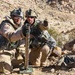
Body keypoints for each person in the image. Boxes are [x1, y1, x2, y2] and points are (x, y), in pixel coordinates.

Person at [0, 8, 25, 74]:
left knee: (25, 61)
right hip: (4, 50)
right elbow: (11, 37)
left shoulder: (20, 26)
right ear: (12, 17)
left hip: (13, 51)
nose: (19, 19)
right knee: (5, 69)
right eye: (17, 17)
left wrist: (22, 52)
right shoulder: (6, 25)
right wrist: (21, 33)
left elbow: (22, 42)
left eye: (20, 17)